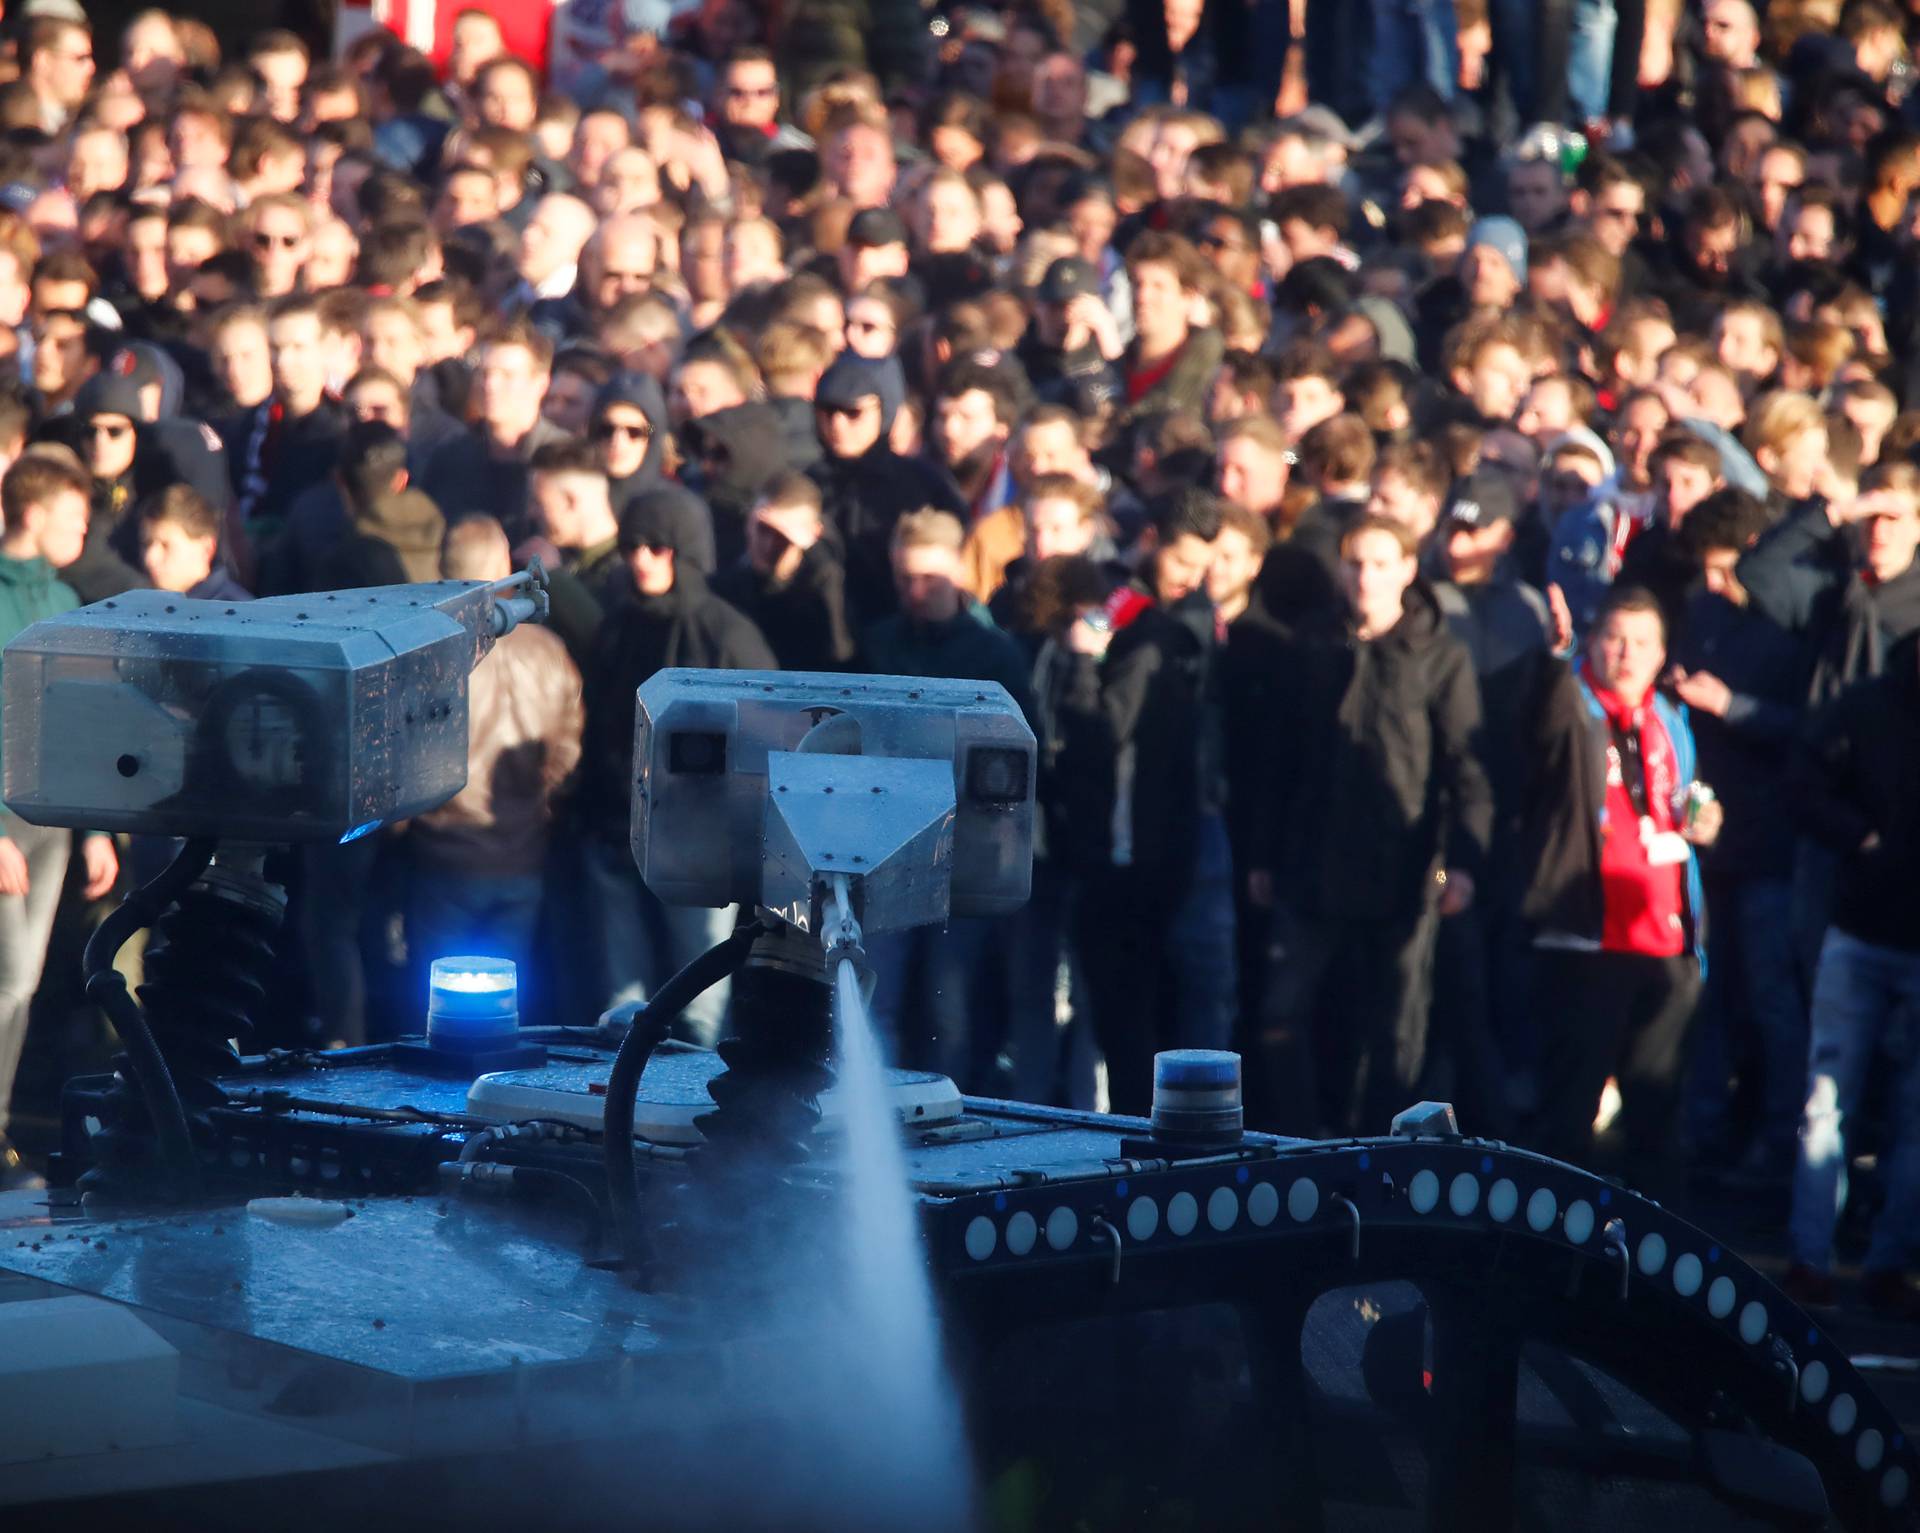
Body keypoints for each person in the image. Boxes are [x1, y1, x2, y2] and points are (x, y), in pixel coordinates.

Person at [1249, 514, 1492, 1137]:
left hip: (1405, 867)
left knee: (1396, 1028)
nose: (1366, 578)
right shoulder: (1311, 642)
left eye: (1381, 564)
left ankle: (1387, 1155)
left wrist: (1462, 860)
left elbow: (1468, 765)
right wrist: (1264, 855)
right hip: (1312, 863)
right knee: (1283, 1014)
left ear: (1408, 570)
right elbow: (1277, 761)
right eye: (1356, 563)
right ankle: (1305, 1143)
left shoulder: (1440, 655)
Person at [1521, 587, 1723, 1198]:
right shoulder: (1570, 704)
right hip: (1588, 939)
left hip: (1669, 942)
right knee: (1568, 1117)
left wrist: (1704, 824)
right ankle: (1557, 1258)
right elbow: (1541, 722)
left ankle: (1658, 1266)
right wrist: (1558, 655)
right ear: (1592, 641)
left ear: (1662, 654)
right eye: (1613, 638)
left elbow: (1679, 803)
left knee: (1657, 1115)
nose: (1626, 654)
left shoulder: (1669, 716)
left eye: (1641, 643)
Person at [575, 488, 775, 1041]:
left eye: (658, 546)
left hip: (701, 849)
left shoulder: (728, 636)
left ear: (684, 550)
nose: (642, 558)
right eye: (632, 545)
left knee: (700, 1008)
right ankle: (619, 1117)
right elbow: (594, 729)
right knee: (620, 1008)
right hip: (617, 834)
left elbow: (766, 746)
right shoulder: (616, 627)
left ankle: (687, 1119)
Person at [859, 509, 1033, 1086]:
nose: (916, 591)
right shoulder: (879, 643)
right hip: (887, 844)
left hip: (965, 851)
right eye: (906, 578)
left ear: (958, 573)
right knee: (880, 997)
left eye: (929, 579)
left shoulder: (994, 656)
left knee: (949, 1009)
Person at [1782, 632, 1920, 1318]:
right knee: (1826, 1100)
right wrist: (1858, 836)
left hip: (1886, 928)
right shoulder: (1867, 705)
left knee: (1905, 1113)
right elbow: (1804, 780)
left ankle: (1889, 1262)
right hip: (1862, 926)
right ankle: (1812, 1256)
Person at [406, 517, 583, 1019]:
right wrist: (535, 807)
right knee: (505, 1009)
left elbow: (406, 760)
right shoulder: (549, 653)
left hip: (443, 856)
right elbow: (566, 756)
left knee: (437, 1012)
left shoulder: (429, 660)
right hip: (522, 853)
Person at [0, 454, 117, 1179]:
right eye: (73, 512)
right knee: (8, 978)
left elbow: (81, 722)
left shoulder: (66, 597)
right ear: (36, 513)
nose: (84, 526)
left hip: (50, 823)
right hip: (10, 823)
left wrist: (96, 824)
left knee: (23, 980)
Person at [712, 471, 855, 673]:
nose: (768, 545)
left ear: (811, 536)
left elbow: (841, 656)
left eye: (782, 537)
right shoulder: (727, 580)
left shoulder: (823, 584)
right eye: (763, 528)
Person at [138, 486, 251, 602]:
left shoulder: (235, 614)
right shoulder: (143, 609)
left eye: (165, 545)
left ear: (207, 549)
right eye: (146, 544)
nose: (150, 558)